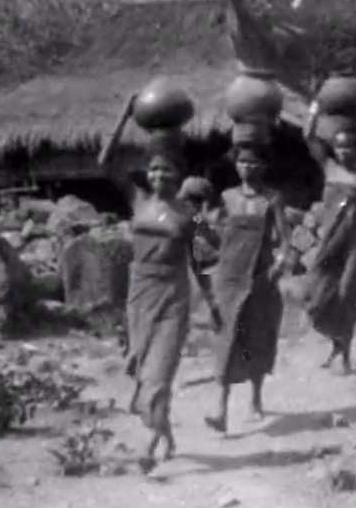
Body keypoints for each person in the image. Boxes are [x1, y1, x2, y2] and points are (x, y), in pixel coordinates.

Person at [98, 95, 221, 473]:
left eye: (167, 171)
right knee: (141, 370)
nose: (159, 176)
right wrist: (125, 113)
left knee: (160, 375)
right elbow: (104, 162)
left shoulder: (189, 216)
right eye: (154, 170)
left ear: (179, 175)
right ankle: (166, 433)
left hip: (172, 298)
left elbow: (201, 266)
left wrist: (214, 306)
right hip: (139, 296)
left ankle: (150, 446)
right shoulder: (137, 201)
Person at [204, 143, 291, 433]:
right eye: (243, 162)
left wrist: (279, 263)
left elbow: (285, 240)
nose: (248, 168)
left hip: (260, 278)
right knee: (226, 340)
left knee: (257, 338)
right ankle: (221, 410)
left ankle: (255, 397)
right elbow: (206, 229)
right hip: (229, 279)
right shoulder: (226, 197)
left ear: (263, 166)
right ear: (236, 165)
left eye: (254, 163)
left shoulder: (273, 199)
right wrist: (196, 217)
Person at [302, 102, 356, 375]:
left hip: (355, 244)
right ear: (334, 149)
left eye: (349, 147)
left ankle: (344, 353)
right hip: (329, 243)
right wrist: (314, 112)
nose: (344, 151)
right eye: (339, 147)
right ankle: (335, 341)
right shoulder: (329, 168)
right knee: (315, 296)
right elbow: (308, 138)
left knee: (348, 297)